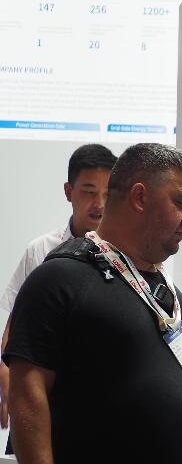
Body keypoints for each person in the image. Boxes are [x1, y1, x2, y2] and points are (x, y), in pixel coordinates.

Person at [3, 143, 182, 464]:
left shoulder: (170, 300)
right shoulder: (60, 280)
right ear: (139, 197)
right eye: (180, 203)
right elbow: (28, 391)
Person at [0, 143, 117, 431]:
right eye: (89, 192)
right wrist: (6, 372)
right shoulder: (40, 250)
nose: (99, 204)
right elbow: (16, 321)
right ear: (69, 191)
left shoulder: (128, 255)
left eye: (107, 194)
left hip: (101, 398)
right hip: (40, 395)